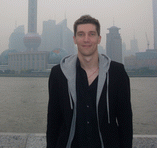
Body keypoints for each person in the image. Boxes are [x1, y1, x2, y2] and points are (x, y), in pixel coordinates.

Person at [46, 15, 133, 148]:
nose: (86, 39)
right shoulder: (59, 74)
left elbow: (125, 123)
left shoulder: (117, 73)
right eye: (81, 34)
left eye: (91, 34)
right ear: (75, 39)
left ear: (99, 39)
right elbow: (53, 122)